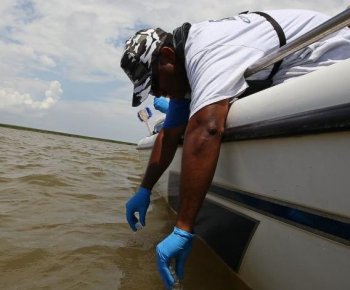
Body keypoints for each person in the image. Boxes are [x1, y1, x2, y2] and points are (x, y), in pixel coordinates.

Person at [120, 9, 350, 289]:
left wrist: (183, 228)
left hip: (329, 56)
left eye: (155, 85)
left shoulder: (207, 50)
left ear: (168, 56)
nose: (158, 94)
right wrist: (143, 189)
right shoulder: (184, 72)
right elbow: (169, 136)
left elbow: (206, 129)